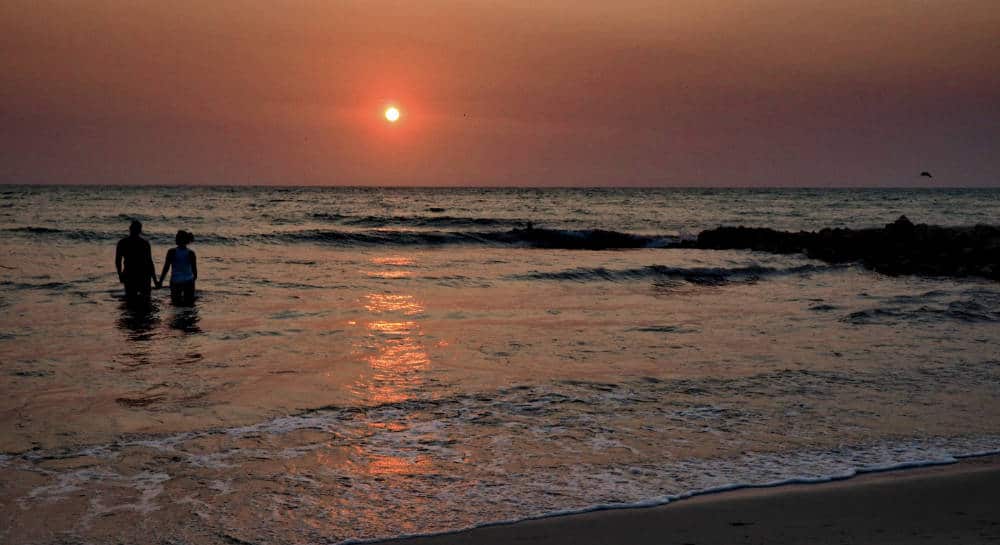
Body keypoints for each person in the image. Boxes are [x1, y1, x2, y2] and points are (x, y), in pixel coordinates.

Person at [115, 220, 157, 301]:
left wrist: (120, 274)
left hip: (130, 274)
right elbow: (149, 262)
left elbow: (118, 261)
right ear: (140, 231)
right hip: (143, 275)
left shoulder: (122, 243)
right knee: (145, 301)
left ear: (130, 229)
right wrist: (155, 280)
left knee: (130, 300)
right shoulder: (144, 243)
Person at [158, 230, 197, 304]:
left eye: (176, 237)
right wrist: (192, 281)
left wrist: (160, 281)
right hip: (188, 281)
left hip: (176, 281)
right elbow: (195, 272)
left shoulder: (171, 252)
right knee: (189, 305)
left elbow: (166, 268)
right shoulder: (191, 253)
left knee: (176, 304)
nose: (175, 239)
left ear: (180, 239)